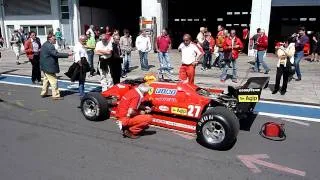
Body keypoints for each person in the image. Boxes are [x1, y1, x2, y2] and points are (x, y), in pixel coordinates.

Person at [40, 34, 72, 100]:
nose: (55, 40)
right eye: (54, 39)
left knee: (46, 79)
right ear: (49, 39)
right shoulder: (50, 46)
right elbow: (56, 54)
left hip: (44, 65)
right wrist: (67, 54)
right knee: (54, 81)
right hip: (49, 66)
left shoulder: (45, 44)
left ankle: (44, 93)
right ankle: (56, 95)